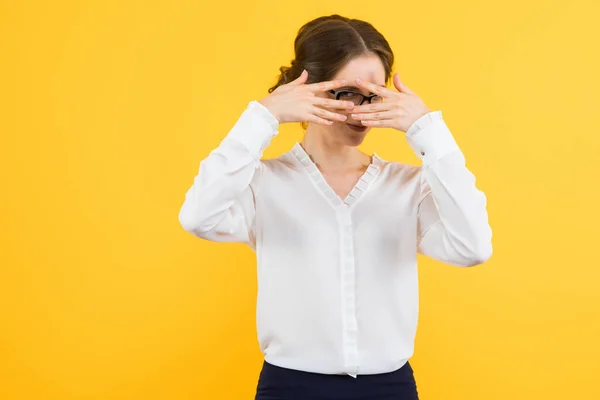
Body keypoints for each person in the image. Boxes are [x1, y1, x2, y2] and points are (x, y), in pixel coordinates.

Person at [178, 14, 492, 400]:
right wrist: (262, 117)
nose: (361, 111)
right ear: (308, 88)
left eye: (374, 95)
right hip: (289, 386)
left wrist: (429, 132)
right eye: (347, 93)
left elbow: (473, 247)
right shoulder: (262, 182)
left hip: (389, 387)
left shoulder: (409, 186)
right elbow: (197, 217)